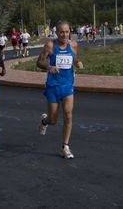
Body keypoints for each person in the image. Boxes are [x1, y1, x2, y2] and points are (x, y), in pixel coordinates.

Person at [36, 21, 84, 159]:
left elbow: (75, 57)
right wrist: (49, 67)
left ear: (70, 32)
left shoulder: (73, 45)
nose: (64, 34)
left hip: (68, 86)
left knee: (68, 115)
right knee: (53, 120)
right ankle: (45, 121)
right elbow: (39, 62)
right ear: (56, 33)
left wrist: (78, 62)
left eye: (67, 32)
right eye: (61, 32)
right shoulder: (50, 45)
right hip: (53, 87)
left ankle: (65, 146)